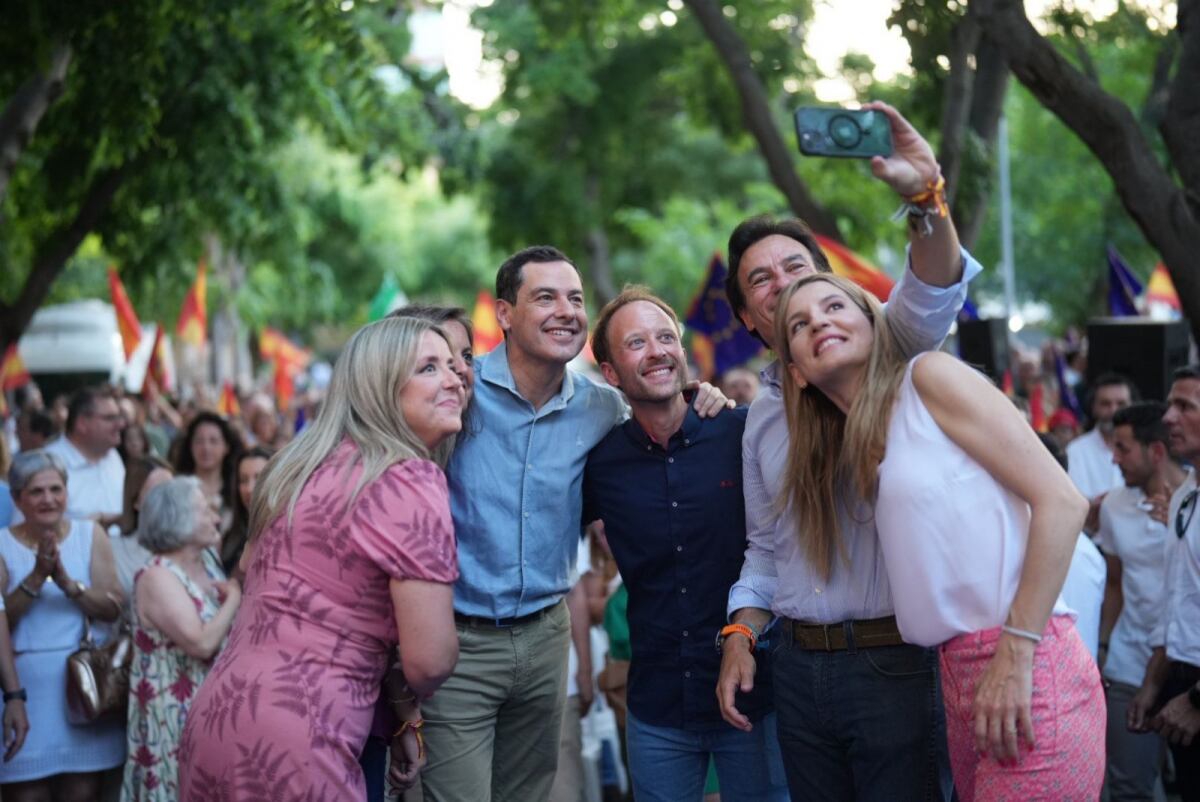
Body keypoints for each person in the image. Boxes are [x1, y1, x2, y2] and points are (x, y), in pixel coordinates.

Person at [718, 101, 978, 802]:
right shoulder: (759, 421)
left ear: (836, 284)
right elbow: (766, 548)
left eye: (797, 268)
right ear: (748, 319)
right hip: (798, 672)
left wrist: (925, 198)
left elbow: (930, 294)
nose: (784, 285)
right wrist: (740, 634)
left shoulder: (890, 353)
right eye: (761, 281)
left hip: (899, 663)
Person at [774, 273, 1104, 799]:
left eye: (835, 305)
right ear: (796, 373)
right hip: (956, 680)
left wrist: (1017, 653)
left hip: (1027, 663)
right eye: (799, 323)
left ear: (873, 322)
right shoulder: (864, 446)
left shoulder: (929, 377)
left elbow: (1063, 502)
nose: (819, 321)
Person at [418, 246, 730, 802]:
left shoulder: (601, 407)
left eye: (576, 299)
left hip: (546, 643)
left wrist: (701, 394)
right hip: (458, 643)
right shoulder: (459, 392)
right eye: (545, 297)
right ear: (505, 313)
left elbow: (659, 406)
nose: (566, 309)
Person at [179, 316, 463, 799]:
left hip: (218, 714)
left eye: (454, 366)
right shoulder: (408, 478)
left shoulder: (296, 467)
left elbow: (248, 572)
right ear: (379, 386)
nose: (455, 378)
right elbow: (430, 661)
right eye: (430, 368)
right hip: (299, 738)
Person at [583, 287, 788, 801]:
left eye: (665, 337)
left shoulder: (742, 432)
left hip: (756, 696)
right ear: (610, 373)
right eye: (636, 343)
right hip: (657, 707)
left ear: (683, 352)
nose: (656, 350)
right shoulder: (601, 464)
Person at [0, 450, 126, 800]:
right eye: (37, 492)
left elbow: (113, 607)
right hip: (25, 692)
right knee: (26, 794)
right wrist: (37, 578)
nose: (49, 499)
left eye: (56, 489)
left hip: (84, 689)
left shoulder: (90, 534)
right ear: (17, 498)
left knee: (82, 792)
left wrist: (70, 585)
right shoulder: (2, 545)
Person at [121, 476, 240, 801]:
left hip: (211, 713)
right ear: (178, 518)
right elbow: (200, 643)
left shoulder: (209, 562)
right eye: (205, 512)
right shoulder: (157, 576)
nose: (215, 518)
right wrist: (235, 598)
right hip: (172, 717)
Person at [1098, 402, 1177, 801]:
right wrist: (1104, 645)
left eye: (1124, 449)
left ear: (1156, 452)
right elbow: (1114, 582)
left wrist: (1182, 532)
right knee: (1129, 788)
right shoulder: (1113, 505)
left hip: (1185, 667)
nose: (1114, 458)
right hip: (1129, 661)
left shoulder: (1191, 502)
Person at [1130, 367, 1200, 801]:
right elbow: (1176, 597)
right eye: (1170, 405)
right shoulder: (1184, 494)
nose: (1169, 417)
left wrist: (1196, 701)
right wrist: (1155, 680)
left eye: (1185, 406)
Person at [38, 387, 126, 531]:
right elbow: (29, 533)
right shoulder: (46, 463)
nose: (120, 424)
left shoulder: (113, 457)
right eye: (110, 418)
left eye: (119, 417)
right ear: (82, 424)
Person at [1067, 373, 1135, 521]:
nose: (1113, 410)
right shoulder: (1076, 451)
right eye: (1105, 404)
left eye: (1121, 403)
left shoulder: (1144, 450)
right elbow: (1075, 504)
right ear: (1093, 407)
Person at [112, 457, 174, 616]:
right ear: (136, 501)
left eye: (172, 491)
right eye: (157, 493)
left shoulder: (196, 544)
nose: (168, 501)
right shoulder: (114, 550)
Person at [172, 412, 242, 533]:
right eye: (199, 441)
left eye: (213, 441)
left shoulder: (238, 488)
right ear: (190, 446)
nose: (206, 448)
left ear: (226, 447)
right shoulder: (177, 488)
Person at [219, 447, 273, 577]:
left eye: (258, 478)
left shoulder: (286, 534)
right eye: (243, 480)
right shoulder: (228, 538)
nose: (249, 489)